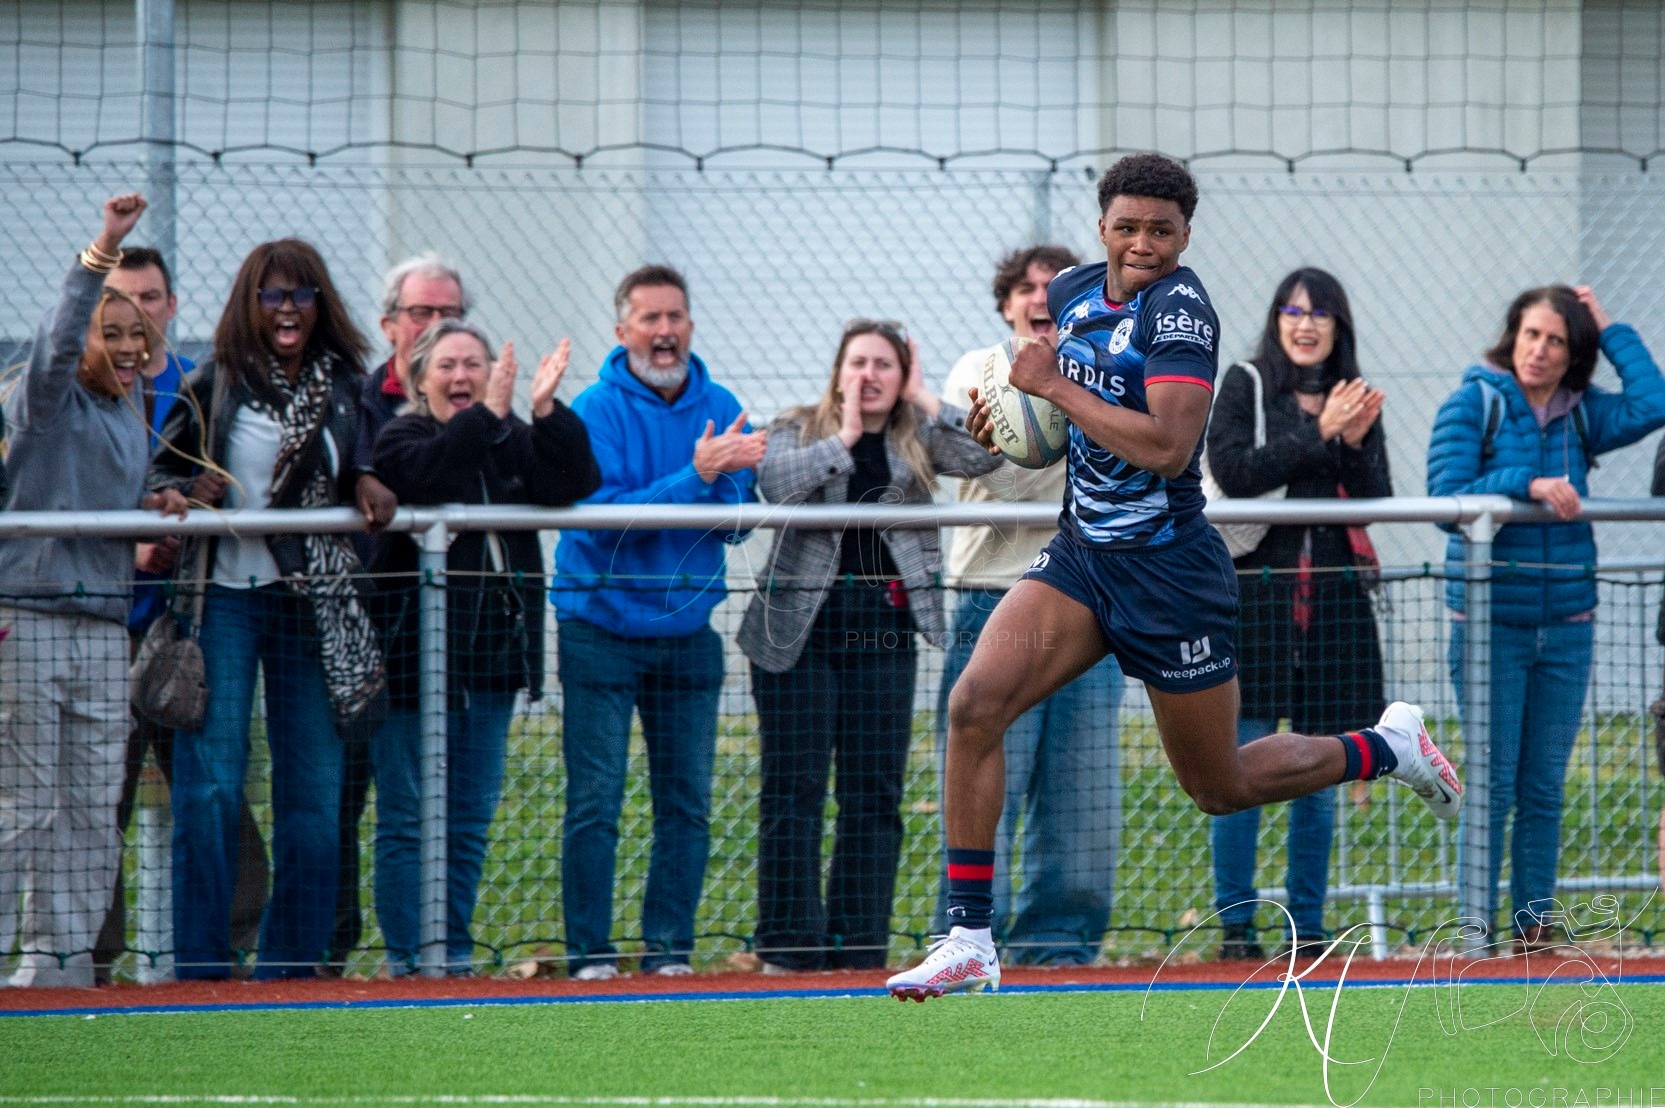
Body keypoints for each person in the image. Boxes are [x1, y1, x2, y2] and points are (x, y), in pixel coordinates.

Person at [886, 152, 1462, 1000]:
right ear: (1101, 227)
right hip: (1084, 556)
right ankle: (971, 937)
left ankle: (1385, 747)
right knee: (975, 704)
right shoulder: (1073, 293)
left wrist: (1050, 384)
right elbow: (1054, 411)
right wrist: (1015, 419)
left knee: (1217, 786)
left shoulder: (1182, 313)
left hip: (1168, 571)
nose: (1143, 243)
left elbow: (1166, 445)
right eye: (1128, 226)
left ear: (1185, 233)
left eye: (1161, 229)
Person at [150, 238, 392, 980]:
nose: (287, 309)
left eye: (301, 295)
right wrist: (182, 495)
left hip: (309, 607)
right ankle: (201, 969)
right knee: (213, 787)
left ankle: (289, 967)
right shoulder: (213, 383)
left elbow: (369, 461)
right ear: (248, 305)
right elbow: (160, 470)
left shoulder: (347, 385)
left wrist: (367, 479)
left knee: (316, 801)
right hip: (221, 599)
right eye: (272, 296)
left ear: (321, 305)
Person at [738, 320, 998, 972]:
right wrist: (846, 440)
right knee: (792, 790)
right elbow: (772, 483)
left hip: (881, 626)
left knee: (872, 794)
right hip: (798, 628)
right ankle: (788, 947)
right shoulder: (798, 426)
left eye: (885, 364)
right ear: (837, 371)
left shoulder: (919, 435)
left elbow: (990, 458)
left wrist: (928, 398)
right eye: (858, 363)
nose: (870, 375)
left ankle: (857, 947)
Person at [1427, 285, 1665, 951]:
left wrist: (1609, 328)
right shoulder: (1475, 401)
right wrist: (1520, 485)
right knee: (1493, 782)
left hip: (1567, 623)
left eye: (1556, 340)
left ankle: (1533, 928)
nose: (1539, 350)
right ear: (1513, 336)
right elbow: (1444, 495)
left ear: (1572, 354)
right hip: (1488, 626)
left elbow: (1654, 402)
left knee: (1542, 788)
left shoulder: (1582, 413)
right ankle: (1474, 935)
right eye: (1531, 334)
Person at [552, 264, 765, 979]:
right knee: (595, 804)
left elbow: (737, 524)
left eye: (675, 317)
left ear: (690, 326)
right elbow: (601, 525)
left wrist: (731, 484)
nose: (664, 332)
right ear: (621, 331)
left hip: (686, 636)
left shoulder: (724, 402)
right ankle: (589, 955)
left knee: (687, 806)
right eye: (649, 319)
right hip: (598, 630)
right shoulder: (593, 409)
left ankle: (669, 951)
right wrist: (698, 476)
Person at [0, 194, 190, 987]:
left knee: (89, 806)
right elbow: (54, 345)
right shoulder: (43, 399)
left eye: (136, 337)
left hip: (102, 623)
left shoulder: (130, 407)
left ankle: (62, 963)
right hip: (31, 615)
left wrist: (154, 504)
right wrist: (105, 249)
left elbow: (106, 495)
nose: (123, 347)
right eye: (107, 334)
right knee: (22, 804)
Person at [370, 320, 599, 975]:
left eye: (473, 363)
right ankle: (408, 960)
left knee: (467, 821)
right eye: (446, 366)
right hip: (415, 663)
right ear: (418, 379)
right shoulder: (401, 436)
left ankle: (452, 955)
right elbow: (433, 471)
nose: (462, 376)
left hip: (494, 663)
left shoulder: (504, 435)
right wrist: (492, 414)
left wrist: (547, 411)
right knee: (408, 820)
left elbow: (573, 478)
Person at [930, 246, 1127, 967]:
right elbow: (1010, 481)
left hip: (1088, 602)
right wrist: (1084, 428)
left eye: (1054, 287)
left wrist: (1073, 415)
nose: (1039, 298)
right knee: (983, 779)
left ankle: (1061, 949)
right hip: (993, 601)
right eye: (1024, 288)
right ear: (1006, 304)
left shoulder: (1110, 372)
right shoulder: (973, 372)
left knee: (1081, 796)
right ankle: (964, 940)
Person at [93, 247, 270, 983]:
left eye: (152, 299)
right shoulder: (73, 390)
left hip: (192, 626)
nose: (138, 316)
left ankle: (226, 950)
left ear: (170, 305)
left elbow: (220, 481)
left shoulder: (202, 385)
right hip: (102, 625)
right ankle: (89, 965)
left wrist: (192, 510)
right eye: (122, 301)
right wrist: (129, 546)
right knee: (98, 808)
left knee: (216, 790)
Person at [1203, 268, 1392, 960]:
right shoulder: (1246, 384)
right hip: (1253, 603)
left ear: (1338, 326)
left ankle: (1306, 929)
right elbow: (1232, 473)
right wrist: (1321, 434)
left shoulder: (1354, 397)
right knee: (1238, 765)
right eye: (1292, 311)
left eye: (1319, 314)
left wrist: (1351, 437)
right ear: (1276, 320)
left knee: (1320, 772)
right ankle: (1234, 929)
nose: (1304, 324)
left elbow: (1373, 497)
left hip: (1334, 608)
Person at [322, 254, 459, 972]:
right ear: (388, 325)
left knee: (438, 815)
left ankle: (433, 959)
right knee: (336, 806)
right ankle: (323, 958)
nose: (435, 328)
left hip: (434, 642)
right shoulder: (351, 398)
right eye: (420, 314)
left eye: (448, 315)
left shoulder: (473, 406)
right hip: (346, 632)